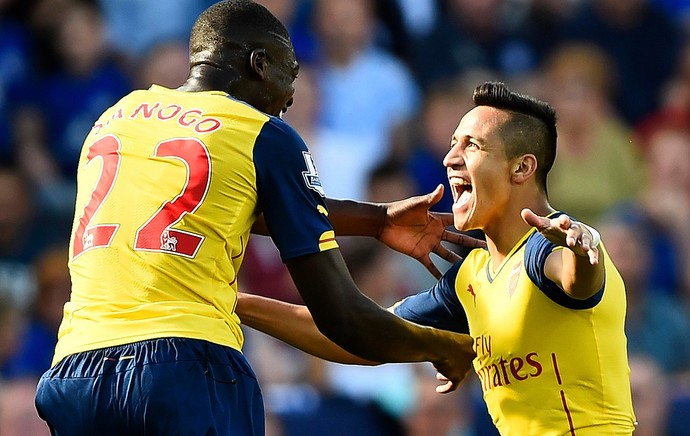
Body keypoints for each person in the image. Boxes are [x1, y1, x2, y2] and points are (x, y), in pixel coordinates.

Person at [33, 1, 480, 435]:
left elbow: (222, 206)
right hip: (184, 366)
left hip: (77, 372)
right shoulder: (262, 133)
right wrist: (441, 348)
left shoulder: (116, 118)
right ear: (259, 62)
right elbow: (342, 317)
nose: (289, 97)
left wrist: (375, 220)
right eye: (291, 73)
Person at [236, 82, 637, 435]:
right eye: (452, 145)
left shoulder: (552, 246)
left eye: (472, 146)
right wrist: (233, 304)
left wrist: (585, 254)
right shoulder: (472, 276)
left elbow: (576, 278)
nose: (450, 159)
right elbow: (357, 334)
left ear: (521, 167)